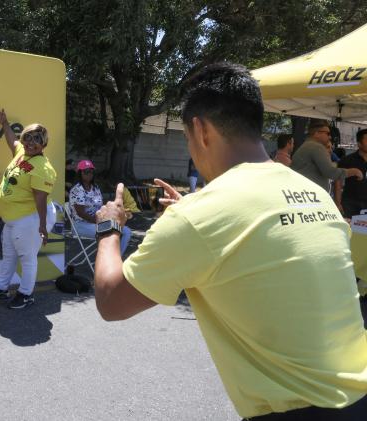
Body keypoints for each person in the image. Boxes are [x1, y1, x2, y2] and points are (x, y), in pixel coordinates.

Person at [93, 63, 367, 420]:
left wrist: (109, 228)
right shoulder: (314, 193)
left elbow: (111, 301)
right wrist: (194, 215)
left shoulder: (199, 216)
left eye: (188, 140)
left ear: (200, 129)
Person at [0, 107, 57, 309]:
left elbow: (41, 199)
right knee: (9, 256)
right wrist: (4, 123)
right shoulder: (22, 152)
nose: (31, 143)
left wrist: (42, 227)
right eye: (28, 138)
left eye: (36, 139)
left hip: (31, 218)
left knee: (27, 258)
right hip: (13, 219)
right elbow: (12, 141)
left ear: (44, 143)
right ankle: (2, 288)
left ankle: (26, 294)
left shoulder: (43, 168)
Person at [69, 160, 131, 255]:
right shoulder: (77, 190)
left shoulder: (95, 188)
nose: (89, 174)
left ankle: (117, 258)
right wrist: (100, 221)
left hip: (97, 223)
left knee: (126, 231)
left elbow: (100, 207)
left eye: (91, 171)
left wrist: (112, 215)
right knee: (110, 231)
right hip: (80, 225)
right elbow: (81, 213)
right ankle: (108, 259)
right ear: (79, 173)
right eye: (86, 171)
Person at [291, 120, 363, 190]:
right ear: (317, 133)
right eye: (328, 133)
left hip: (304, 192)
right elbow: (330, 172)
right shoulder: (316, 147)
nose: (330, 137)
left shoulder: (307, 145)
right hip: (311, 194)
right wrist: (352, 171)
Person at [335, 129, 367, 218]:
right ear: (359, 144)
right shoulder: (346, 160)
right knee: (351, 230)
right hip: (351, 203)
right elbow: (338, 182)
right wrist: (338, 202)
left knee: (364, 231)